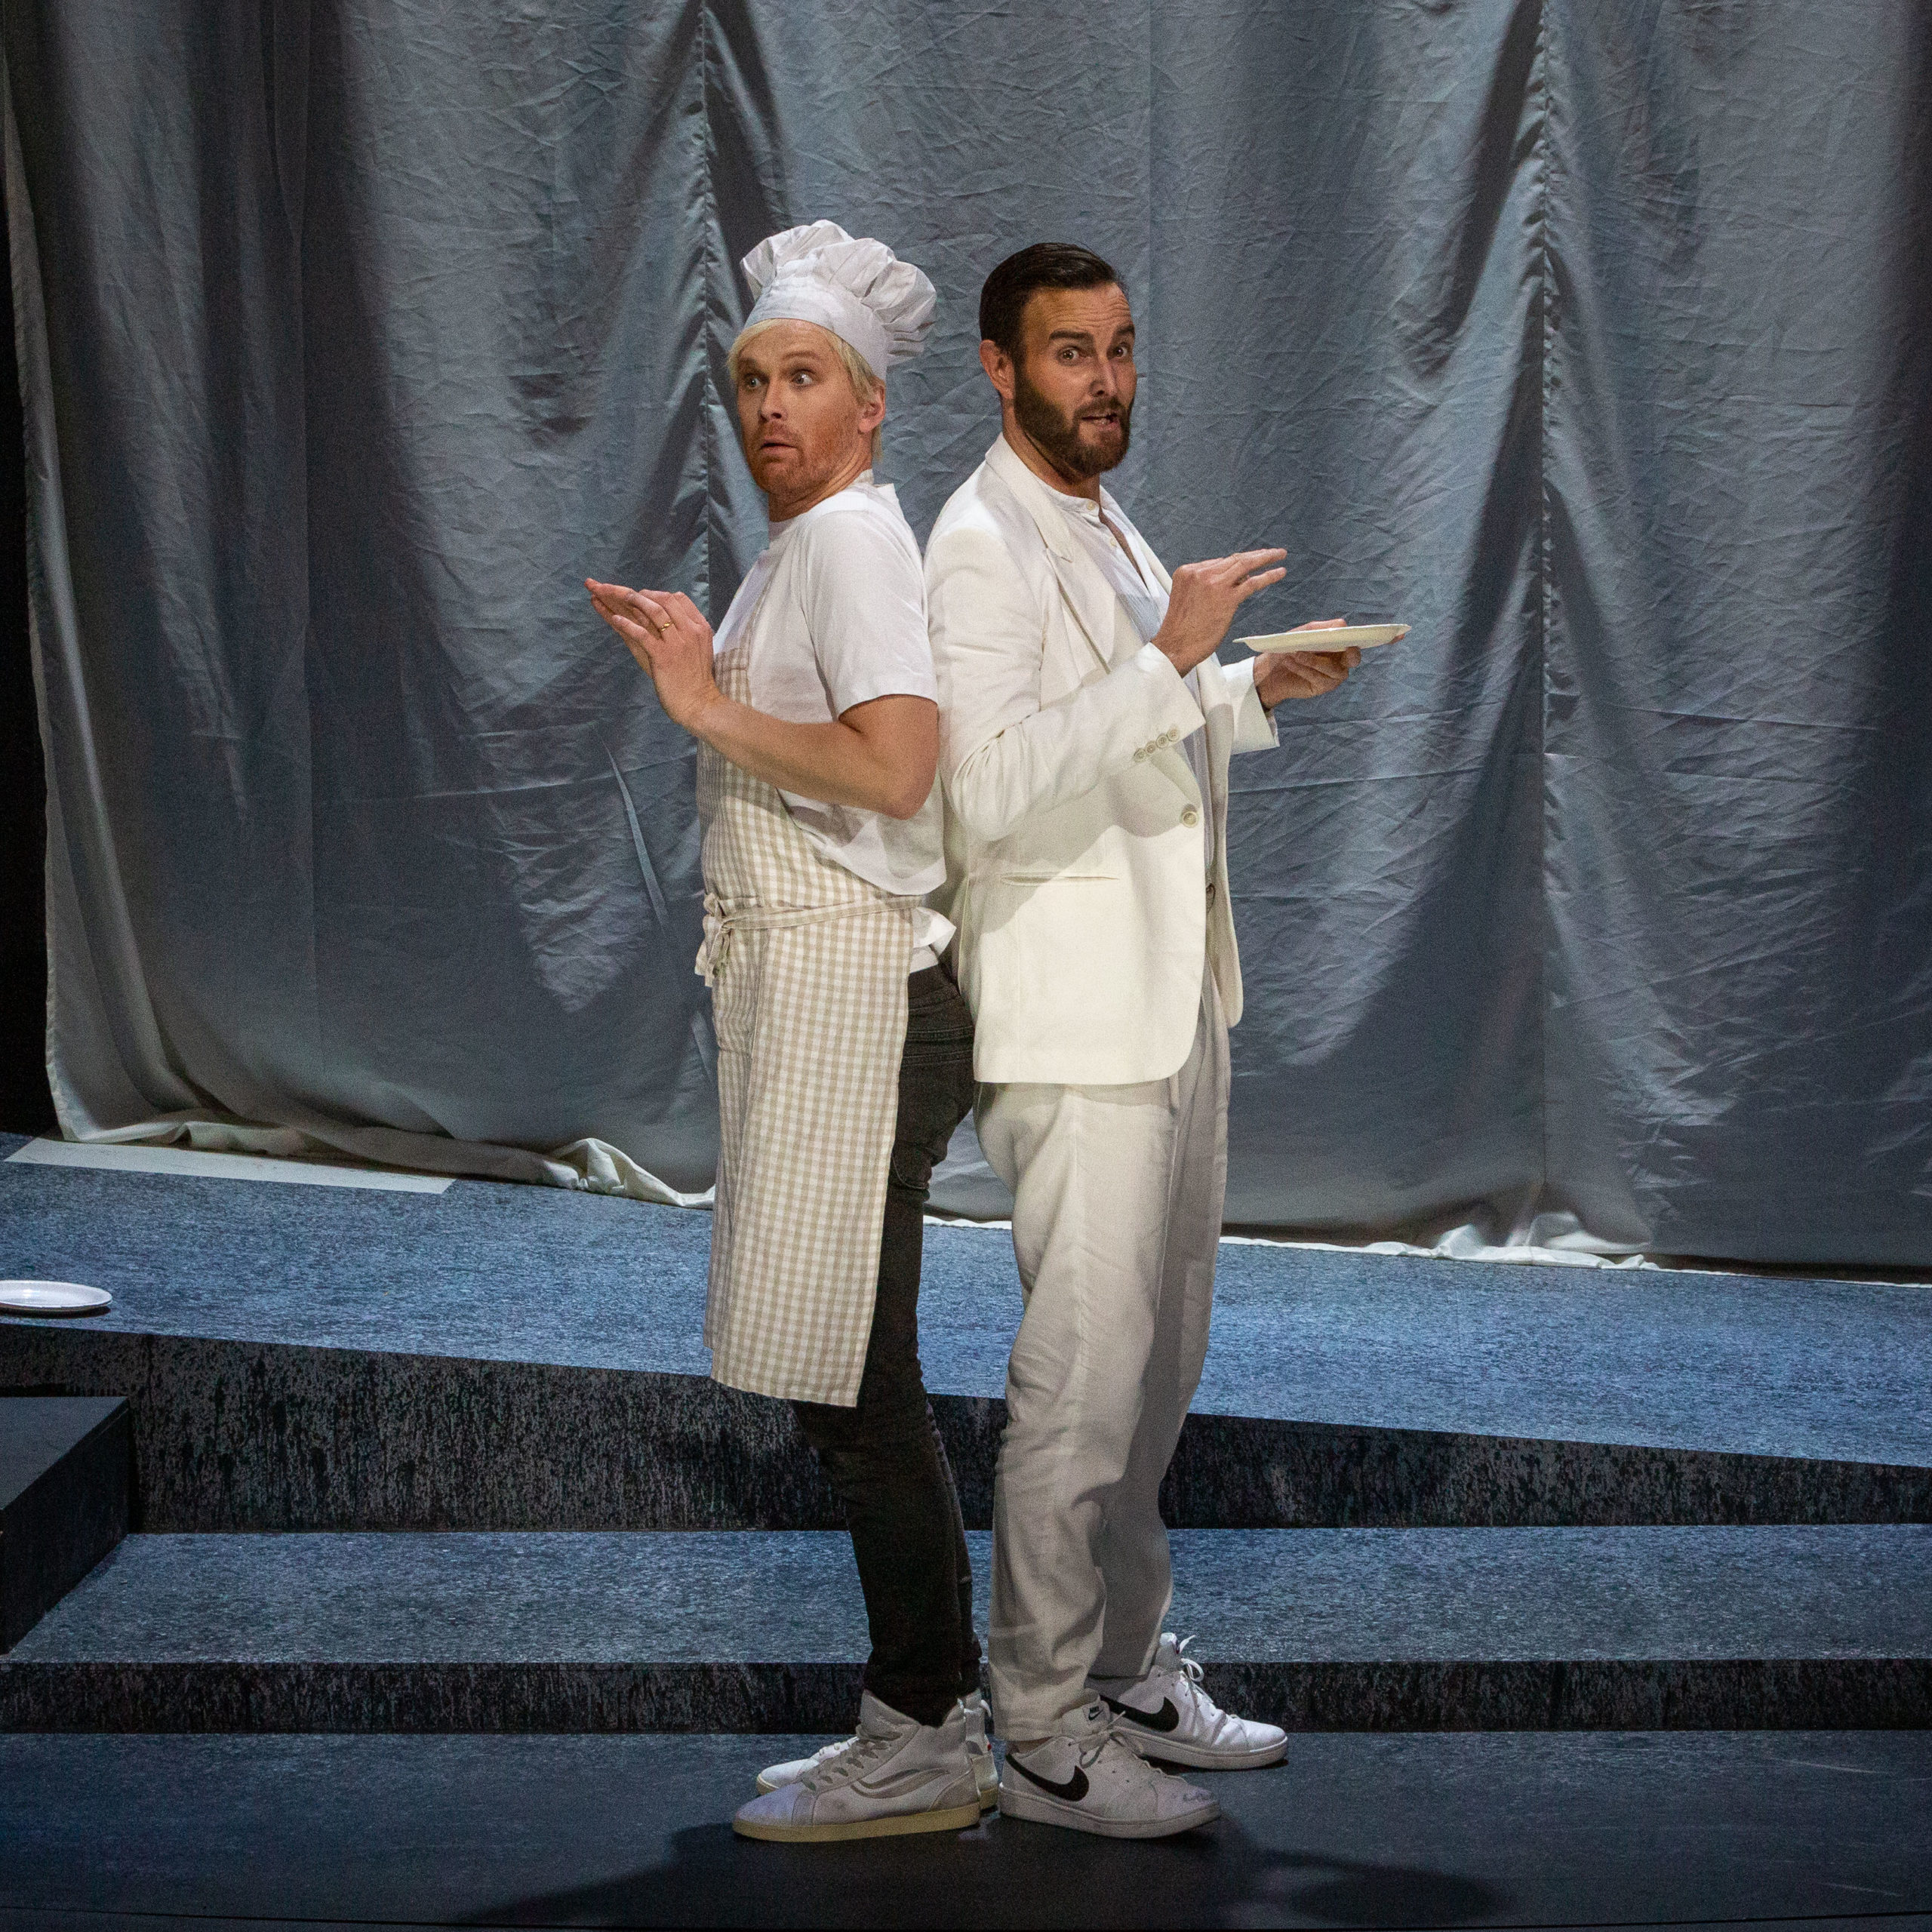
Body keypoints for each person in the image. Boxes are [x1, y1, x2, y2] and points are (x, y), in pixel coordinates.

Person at [924, 242, 1362, 1839]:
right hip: (1075, 1013)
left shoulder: (1102, 521)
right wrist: (1171, 658)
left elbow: (1121, 727)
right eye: (1070, 353)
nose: (1105, 380)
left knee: (1160, 1367)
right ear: (997, 368)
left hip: (1170, 996)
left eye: (1117, 348)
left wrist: (1247, 689)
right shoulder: (975, 545)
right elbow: (984, 787)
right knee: (1084, 1379)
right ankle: (1040, 1724)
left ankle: (1116, 1667)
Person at [587, 221, 989, 1844]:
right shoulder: (805, 546)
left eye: (804, 376)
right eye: (752, 376)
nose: (769, 404)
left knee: (856, 1383)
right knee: (843, 1375)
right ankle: (924, 1712)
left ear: (868, 405)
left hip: (868, 993)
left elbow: (897, 765)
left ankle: (926, 1727)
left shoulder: (849, 547)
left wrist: (702, 702)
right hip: (828, 991)